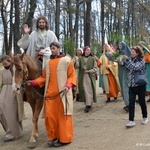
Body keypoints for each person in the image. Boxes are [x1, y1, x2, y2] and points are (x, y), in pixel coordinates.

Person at [26, 42, 76, 147]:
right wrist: (33, 82)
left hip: (63, 94)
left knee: (63, 117)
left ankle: (64, 138)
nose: (52, 50)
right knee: (50, 117)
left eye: (54, 48)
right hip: (50, 95)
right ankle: (52, 137)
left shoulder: (67, 60)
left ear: (59, 48)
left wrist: (68, 85)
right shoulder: (48, 63)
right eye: (51, 48)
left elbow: (72, 75)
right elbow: (44, 78)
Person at [118, 46, 148, 127]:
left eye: (133, 52)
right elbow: (129, 68)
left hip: (140, 85)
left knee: (142, 102)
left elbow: (135, 67)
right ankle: (131, 120)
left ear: (137, 53)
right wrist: (123, 64)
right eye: (131, 52)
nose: (131, 53)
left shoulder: (142, 60)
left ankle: (145, 117)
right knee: (131, 103)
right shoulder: (131, 60)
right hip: (131, 85)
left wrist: (127, 60)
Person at [0, 55, 24, 142]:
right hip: (3, 91)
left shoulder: (14, 70)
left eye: (6, 63)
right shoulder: (2, 70)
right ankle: (8, 131)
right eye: (3, 64)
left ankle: (15, 133)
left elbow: (19, 80)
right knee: (2, 112)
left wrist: (18, 89)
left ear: (10, 62)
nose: (5, 66)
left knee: (11, 113)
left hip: (13, 91)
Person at [106, 41, 131, 112]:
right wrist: (107, 51)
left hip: (127, 74)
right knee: (123, 88)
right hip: (121, 73)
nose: (120, 48)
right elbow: (112, 57)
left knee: (126, 88)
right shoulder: (119, 53)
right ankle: (128, 104)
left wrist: (123, 63)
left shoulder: (129, 54)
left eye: (121, 46)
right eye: (119, 46)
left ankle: (129, 105)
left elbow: (130, 64)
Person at [77, 46, 97, 112]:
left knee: (89, 90)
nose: (89, 51)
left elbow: (95, 68)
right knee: (83, 90)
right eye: (87, 50)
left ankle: (88, 105)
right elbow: (77, 66)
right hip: (82, 77)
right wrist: (75, 62)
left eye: (89, 50)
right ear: (84, 51)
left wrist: (89, 71)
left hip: (89, 77)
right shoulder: (80, 58)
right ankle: (87, 103)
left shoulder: (92, 59)